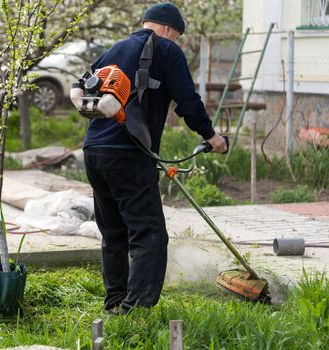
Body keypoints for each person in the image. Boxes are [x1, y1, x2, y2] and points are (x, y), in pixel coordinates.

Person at [82, 2, 227, 314]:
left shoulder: (115, 49)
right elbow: (188, 102)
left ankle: (115, 302)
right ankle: (135, 311)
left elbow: (84, 89)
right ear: (166, 29)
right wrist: (211, 137)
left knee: (114, 233)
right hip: (129, 155)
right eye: (175, 35)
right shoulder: (167, 51)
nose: (175, 41)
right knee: (149, 234)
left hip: (93, 151)